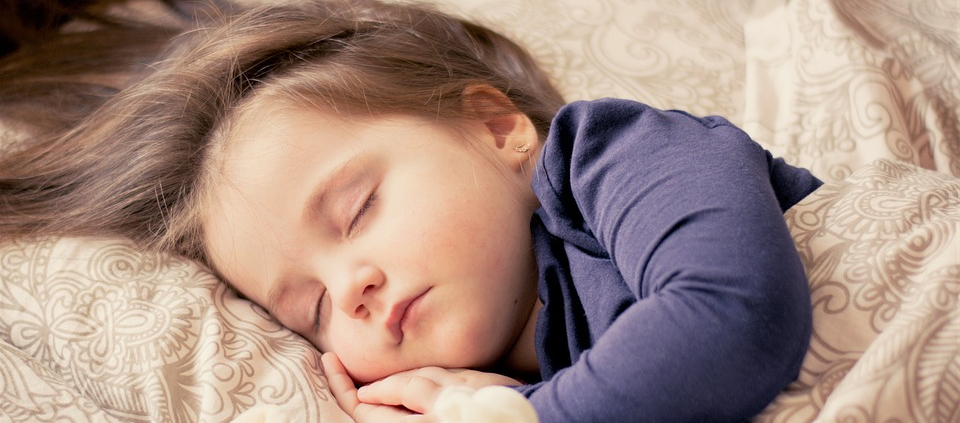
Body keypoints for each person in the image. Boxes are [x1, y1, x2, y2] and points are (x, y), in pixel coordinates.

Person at [0, 0, 822, 421]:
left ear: (497, 128)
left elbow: (734, 311)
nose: (349, 288)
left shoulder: (616, 155)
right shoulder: (500, 378)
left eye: (357, 209)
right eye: (312, 309)